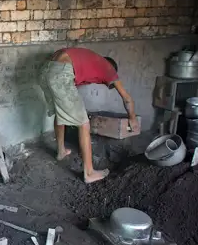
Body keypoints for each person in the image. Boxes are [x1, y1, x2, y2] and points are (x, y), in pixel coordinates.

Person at [40, 47, 138, 183]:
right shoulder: (109, 69)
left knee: (60, 110)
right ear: (111, 67)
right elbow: (127, 99)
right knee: (84, 123)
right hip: (60, 72)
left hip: (46, 69)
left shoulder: (92, 62)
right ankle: (89, 173)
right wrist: (132, 119)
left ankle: (61, 151)